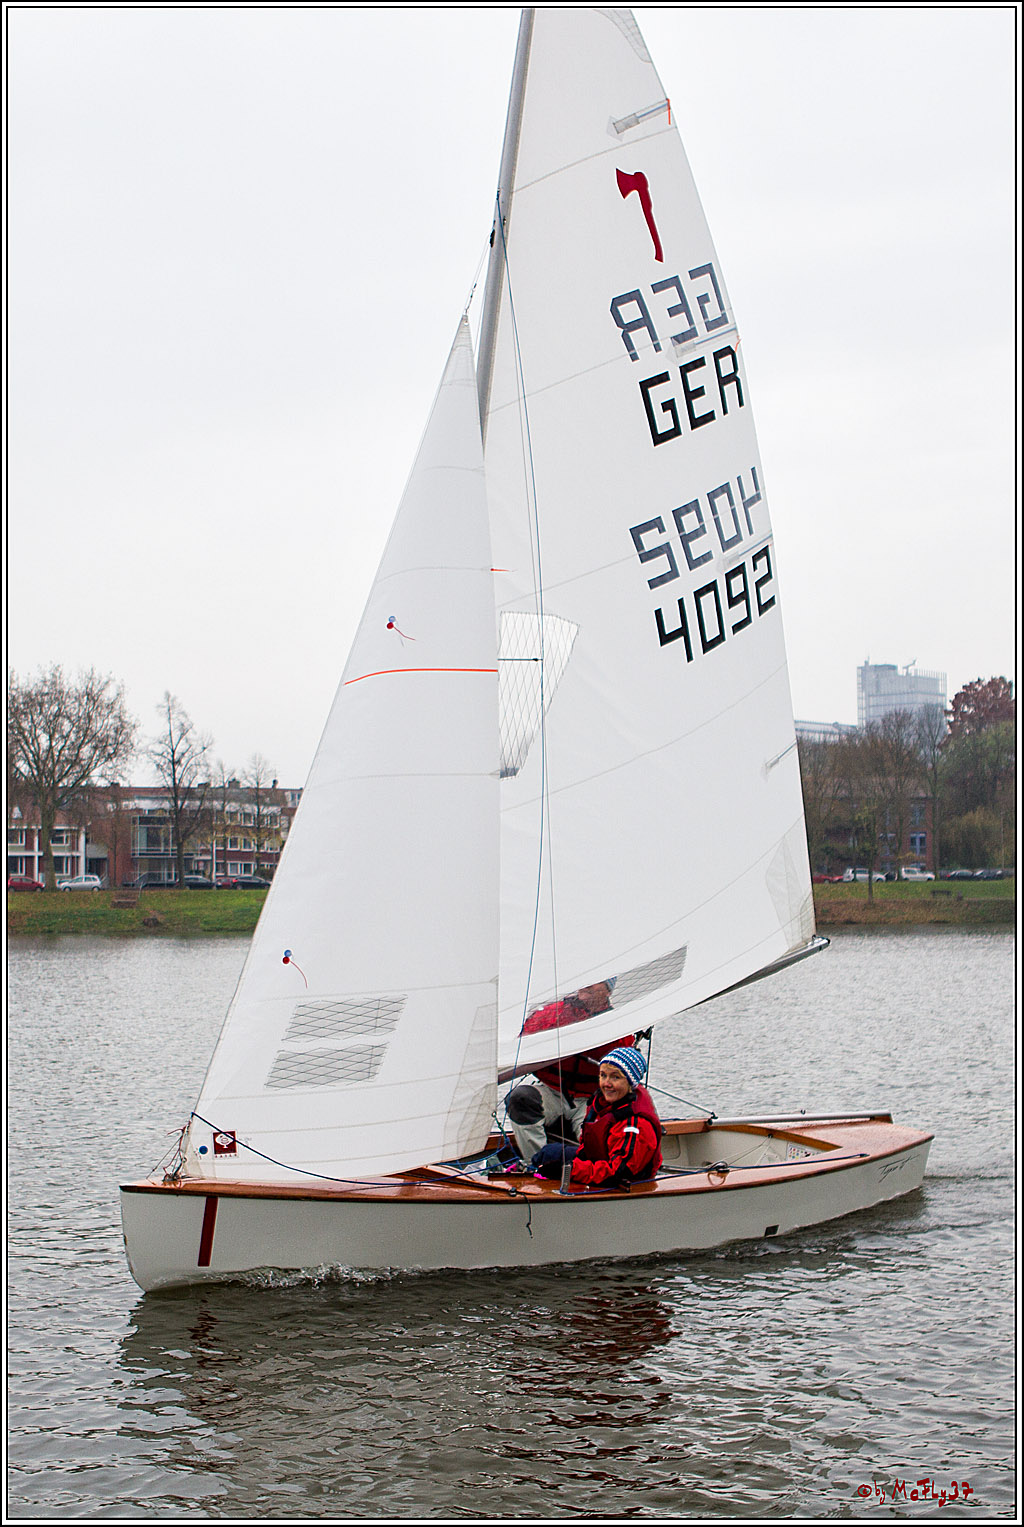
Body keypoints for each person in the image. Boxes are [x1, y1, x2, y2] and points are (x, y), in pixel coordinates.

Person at [503, 979, 634, 1169]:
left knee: (599, 1134)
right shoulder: (552, 1014)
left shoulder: (616, 1026)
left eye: (597, 982)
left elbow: (625, 1068)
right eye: (587, 979)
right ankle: (538, 1166)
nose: (587, 985)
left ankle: (587, 1169)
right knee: (521, 1098)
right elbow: (523, 1043)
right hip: (553, 1091)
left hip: (591, 1098)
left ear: (608, 991)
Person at [568, 1045, 662, 1189]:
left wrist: (570, 1171)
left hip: (622, 1187)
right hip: (598, 1172)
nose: (607, 1084)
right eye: (603, 1075)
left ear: (630, 1083)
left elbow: (618, 1172)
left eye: (615, 1077)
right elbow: (586, 1149)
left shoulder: (635, 1125)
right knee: (549, 1154)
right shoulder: (600, 1107)